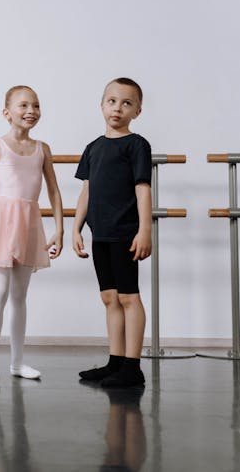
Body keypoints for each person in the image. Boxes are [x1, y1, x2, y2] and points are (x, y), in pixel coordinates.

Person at [0, 85, 64, 383]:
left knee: (21, 295)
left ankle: (18, 362)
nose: (31, 111)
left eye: (35, 105)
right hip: (3, 221)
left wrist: (60, 229)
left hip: (30, 220)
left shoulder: (42, 149)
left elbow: (53, 191)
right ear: (6, 112)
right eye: (23, 105)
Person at [73, 77, 152, 388]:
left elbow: (143, 189)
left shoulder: (137, 145)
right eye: (112, 101)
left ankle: (132, 366)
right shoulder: (93, 148)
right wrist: (76, 228)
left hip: (125, 233)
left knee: (128, 297)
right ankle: (115, 361)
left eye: (127, 103)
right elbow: (86, 192)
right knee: (109, 298)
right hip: (100, 234)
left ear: (137, 111)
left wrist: (144, 229)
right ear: (102, 105)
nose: (118, 107)